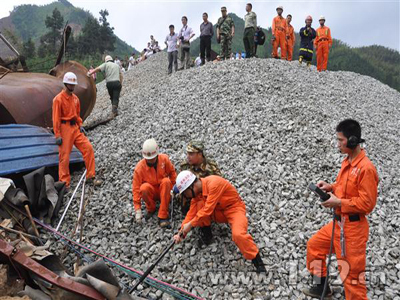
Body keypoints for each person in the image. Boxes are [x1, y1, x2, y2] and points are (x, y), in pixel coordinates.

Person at [303, 119, 378, 300]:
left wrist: (338, 203)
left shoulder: (366, 168)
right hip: (338, 225)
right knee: (314, 246)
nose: (337, 144)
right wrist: (331, 187)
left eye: (340, 140)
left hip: (353, 230)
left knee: (351, 276)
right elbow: (345, 187)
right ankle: (322, 288)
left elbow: (367, 204)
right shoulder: (348, 161)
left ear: (352, 140)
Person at [173, 171, 266, 273]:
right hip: (217, 212)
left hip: (234, 209)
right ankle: (206, 233)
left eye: (186, 193)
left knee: (238, 234)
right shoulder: (197, 194)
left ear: (191, 186)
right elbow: (191, 214)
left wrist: (190, 225)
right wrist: (181, 233)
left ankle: (258, 262)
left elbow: (207, 211)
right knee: (198, 207)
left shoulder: (214, 183)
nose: (187, 196)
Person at [52, 72, 101, 189]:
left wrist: (80, 125)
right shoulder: (58, 99)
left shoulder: (75, 99)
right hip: (64, 129)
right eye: (70, 84)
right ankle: (64, 182)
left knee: (88, 148)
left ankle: (90, 176)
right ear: (66, 84)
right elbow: (56, 118)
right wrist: (57, 135)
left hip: (75, 128)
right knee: (64, 156)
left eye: (74, 84)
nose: (73, 86)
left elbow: (77, 115)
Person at [132, 139, 177, 228]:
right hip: (151, 192)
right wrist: (138, 209)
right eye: (148, 159)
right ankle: (151, 208)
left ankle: (163, 215)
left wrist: (175, 188)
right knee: (143, 188)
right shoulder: (139, 168)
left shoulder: (164, 159)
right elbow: (136, 189)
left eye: (153, 158)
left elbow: (172, 174)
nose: (151, 161)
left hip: (163, 190)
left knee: (166, 181)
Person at [179, 141, 222, 215]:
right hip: (189, 196)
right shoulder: (185, 166)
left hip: (205, 199)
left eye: (191, 154)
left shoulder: (211, 167)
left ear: (200, 154)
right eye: (187, 153)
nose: (188, 156)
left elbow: (218, 185)